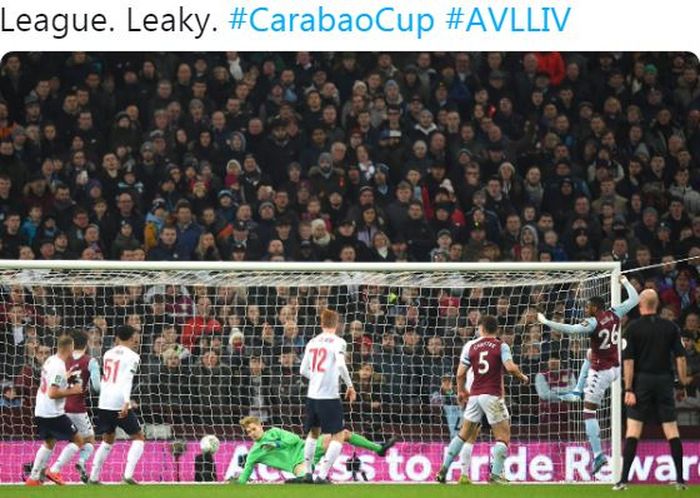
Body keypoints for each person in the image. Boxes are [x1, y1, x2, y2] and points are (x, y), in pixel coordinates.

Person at [537, 275, 639, 475]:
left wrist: (547, 322)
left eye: (587, 307)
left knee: (588, 412)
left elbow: (570, 329)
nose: (585, 310)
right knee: (589, 354)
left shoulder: (592, 323)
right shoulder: (616, 312)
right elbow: (635, 299)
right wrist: (625, 282)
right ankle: (576, 390)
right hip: (616, 368)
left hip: (600, 373)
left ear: (594, 308)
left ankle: (599, 455)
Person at [435, 315, 529, 484]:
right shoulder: (501, 345)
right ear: (496, 330)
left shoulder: (471, 346)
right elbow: (509, 367)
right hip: (492, 395)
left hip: (474, 396)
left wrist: (461, 391)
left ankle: (444, 468)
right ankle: (496, 475)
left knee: (463, 434)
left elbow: (460, 373)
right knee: (503, 436)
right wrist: (522, 377)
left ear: (481, 329)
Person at [613, 289, 691, 491]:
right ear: (657, 305)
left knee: (633, 431)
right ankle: (680, 480)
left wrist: (628, 388)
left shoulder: (633, 328)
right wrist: (682, 381)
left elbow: (628, 361)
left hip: (642, 382)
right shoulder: (671, 327)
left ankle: (623, 481)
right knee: (672, 430)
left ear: (640, 304)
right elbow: (681, 357)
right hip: (665, 381)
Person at [231, 416, 395, 484]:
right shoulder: (254, 452)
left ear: (261, 425)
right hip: (297, 463)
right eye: (248, 432)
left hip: (309, 448)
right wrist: (236, 482)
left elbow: (294, 439)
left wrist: (276, 444)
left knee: (343, 433)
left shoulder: (274, 432)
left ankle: (379, 448)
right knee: (304, 477)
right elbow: (245, 475)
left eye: (253, 429)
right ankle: (312, 478)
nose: (251, 433)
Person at [293, 309, 356, 484]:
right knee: (338, 435)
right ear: (337, 324)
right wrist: (350, 385)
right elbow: (342, 366)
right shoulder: (339, 342)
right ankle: (321, 475)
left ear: (321, 323)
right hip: (329, 397)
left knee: (313, 434)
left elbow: (302, 370)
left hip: (312, 396)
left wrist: (317, 379)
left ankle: (307, 473)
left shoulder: (312, 342)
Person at [88, 325, 145, 485]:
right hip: (119, 401)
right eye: (136, 336)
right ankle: (127, 476)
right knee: (139, 437)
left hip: (104, 401)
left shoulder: (107, 353)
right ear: (132, 337)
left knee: (108, 439)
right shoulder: (133, 356)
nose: (137, 339)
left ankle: (93, 477)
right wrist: (126, 401)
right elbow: (127, 379)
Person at [25, 335, 84, 486]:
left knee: (49, 442)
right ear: (69, 348)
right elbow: (52, 393)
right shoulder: (58, 366)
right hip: (53, 413)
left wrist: (67, 377)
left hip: (41, 410)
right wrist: (73, 391)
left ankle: (33, 478)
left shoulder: (51, 360)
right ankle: (55, 470)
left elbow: (53, 382)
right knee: (78, 440)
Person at [47, 330, 101, 483]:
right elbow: (97, 387)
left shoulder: (62, 359)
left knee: (56, 440)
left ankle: (38, 469)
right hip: (77, 408)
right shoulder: (90, 360)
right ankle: (70, 465)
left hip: (58, 406)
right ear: (87, 343)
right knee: (89, 440)